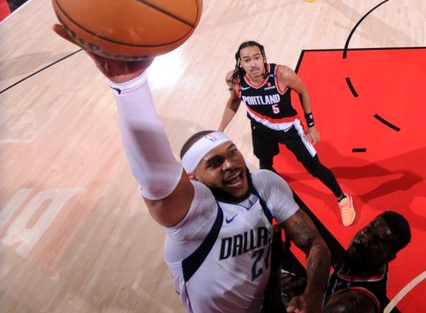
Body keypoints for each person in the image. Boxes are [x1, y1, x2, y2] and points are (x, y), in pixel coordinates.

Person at [52, 24, 331, 313]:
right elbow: (157, 178)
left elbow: (315, 243)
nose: (231, 165)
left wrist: (313, 292)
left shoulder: (265, 184)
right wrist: (128, 86)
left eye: (232, 153)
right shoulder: (192, 216)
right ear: (193, 178)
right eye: (215, 162)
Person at [219, 40, 356, 226]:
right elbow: (234, 101)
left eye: (257, 58)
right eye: (247, 60)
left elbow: (303, 91)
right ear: (240, 63)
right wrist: (220, 130)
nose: (253, 64)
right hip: (260, 130)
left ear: (264, 58)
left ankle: (342, 198)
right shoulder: (236, 80)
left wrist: (311, 125)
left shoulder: (281, 74)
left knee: (314, 167)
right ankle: (268, 200)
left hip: (289, 130)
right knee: (265, 166)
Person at [324, 211, 411, 312]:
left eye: (375, 242)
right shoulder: (365, 256)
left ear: (389, 257)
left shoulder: (353, 305)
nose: (363, 240)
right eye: (367, 230)